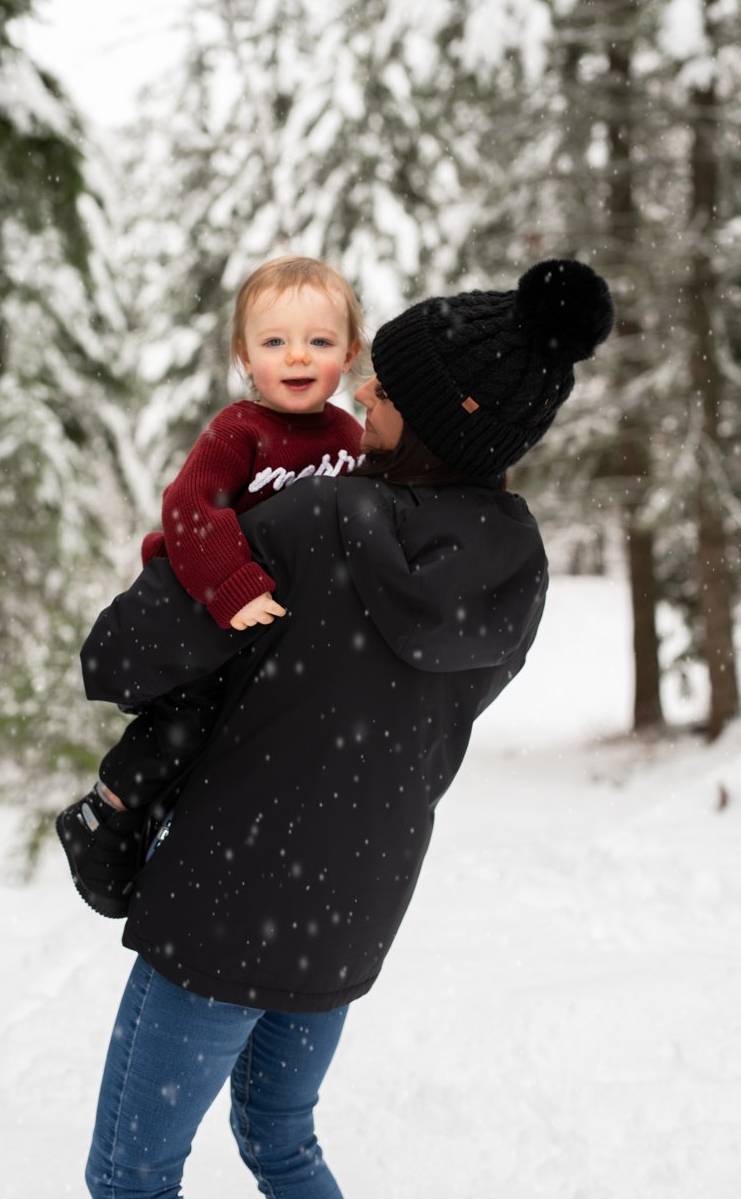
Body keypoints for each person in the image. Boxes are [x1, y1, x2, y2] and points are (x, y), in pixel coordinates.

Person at [77, 258, 615, 1198]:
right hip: (354, 906)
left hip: (223, 906)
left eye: (391, 385)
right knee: (282, 1145)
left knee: (130, 1174)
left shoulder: (313, 519)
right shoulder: (516, 562)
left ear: (443, 418)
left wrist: (195, 552)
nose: (361, 386)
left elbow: (118, 658)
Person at [57, 257, 365, 916]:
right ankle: (103, 812)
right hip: (205, 607)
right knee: (187, 720)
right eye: (274, 341)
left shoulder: (350, 439)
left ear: (350, 352)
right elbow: (190, 508)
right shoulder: (241, 430)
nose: (296, 356)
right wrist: (233, 585)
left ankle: (170, 833)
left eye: (319, 340)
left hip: (274, 627)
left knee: (242, 741)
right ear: (243, 355)